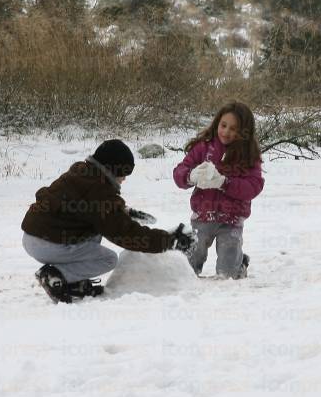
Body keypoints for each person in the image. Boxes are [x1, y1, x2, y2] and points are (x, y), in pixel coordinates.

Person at [22, 139, 195, 303]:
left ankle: (74, 283)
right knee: (108, 259)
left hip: (35, 235)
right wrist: (168, 241)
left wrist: (123, 212)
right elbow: (126, 234)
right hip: (46, 242)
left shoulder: (82, 173)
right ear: (111, 170)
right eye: (123, 173)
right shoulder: (98, 191)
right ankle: (56, 277)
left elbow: (87, 207)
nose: (124, 179)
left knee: (94, 237)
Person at [173, 101, 264, 279]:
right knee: (187, 269)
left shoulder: (248, 156)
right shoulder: (203, 147)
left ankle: (239, 264)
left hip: (232, 219)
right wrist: (190, 176)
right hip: (203, 215)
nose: (226, 132)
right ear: (217, 123)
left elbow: (253, 186)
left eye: (233, 129)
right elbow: (179, 172)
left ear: (244, 132)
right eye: (223, 125)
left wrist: (224, 183)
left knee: (228, 274)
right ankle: (182, 258)